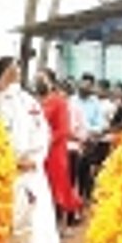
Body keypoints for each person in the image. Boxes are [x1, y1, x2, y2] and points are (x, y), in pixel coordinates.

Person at [0, 55, 62, 243]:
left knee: (32, 222)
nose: (16, 72)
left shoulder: (28, 100)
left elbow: (43, 133)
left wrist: (35, 158)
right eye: (11, 69)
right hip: (7, 172)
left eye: (17, 68)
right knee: (7, 221)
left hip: (31, 171)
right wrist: (13, 160)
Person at [35, 68, 82, 231]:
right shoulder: (35, 102)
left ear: (51, 81)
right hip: (38, 153)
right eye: (37, 79)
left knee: (57, 187)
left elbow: (64, 129)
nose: (38, 82)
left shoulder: (59, 102)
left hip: (55, 152)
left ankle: (59, 223)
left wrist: (46, 140)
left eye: (42, 78)